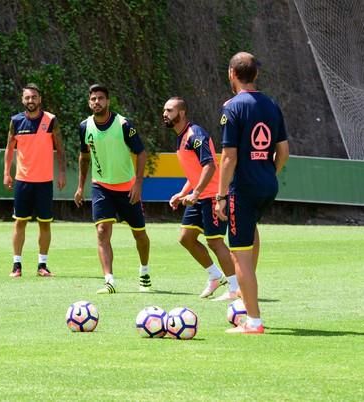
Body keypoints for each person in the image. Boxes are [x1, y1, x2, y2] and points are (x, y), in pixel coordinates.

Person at [215, 52, 289, 334]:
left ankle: (253, 321)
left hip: (242, 189)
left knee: (239, 255)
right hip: (268, 185)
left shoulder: (232, 107)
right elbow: (283, 152)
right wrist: (268, 173)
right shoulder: (271, 105)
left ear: (232, 73)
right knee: (250, 236)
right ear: (255, 74)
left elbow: (228, 157)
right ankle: (248, 304)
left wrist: (221, 196)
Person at [74, 84, 151, 294]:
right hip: (101, 186)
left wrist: (137, 184)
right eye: (93, 99)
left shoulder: (124, 124)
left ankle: (144, 269)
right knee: (102, 231)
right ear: (89, 102)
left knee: (140, 235)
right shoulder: (84, 126)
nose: (96, 102)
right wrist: (80, 186)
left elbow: (141, 153)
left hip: (127, 188)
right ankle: (109, 280)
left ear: (108, 101)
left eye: (100, 98)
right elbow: (84, 156)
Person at [163, 97, 239, 300]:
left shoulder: (195, 134)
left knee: (215, 242)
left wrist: (195, 193)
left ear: (181, 113)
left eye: (169, 110)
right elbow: (194, 172)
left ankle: (234, 289)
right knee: (186, 238)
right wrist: (182, 193)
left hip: (212, 195)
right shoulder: (180, 137)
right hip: (199, 195)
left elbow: (209, 166)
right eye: (164, 110)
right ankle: (215, 276)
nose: (165, 114)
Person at [3, 83, 66, 278]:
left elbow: (60, 149)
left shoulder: (51, 120)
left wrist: (62, 172)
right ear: (23, 100)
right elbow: (9, 149)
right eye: (27, 97)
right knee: (19, 222)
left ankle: (42, 265)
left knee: (44, 223)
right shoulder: (15, 121)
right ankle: (16, 265)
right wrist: (6, 172)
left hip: (44, 181)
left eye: (34, 97)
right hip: (23, 181)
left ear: (40, 99)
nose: (31, 101)